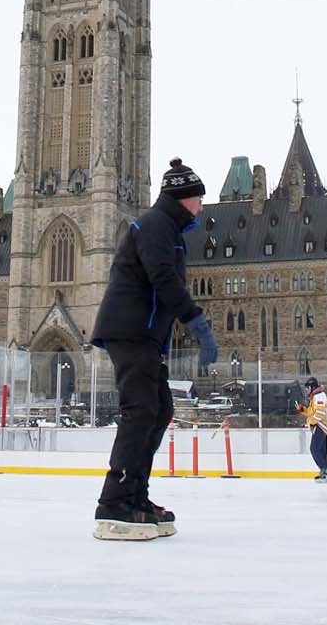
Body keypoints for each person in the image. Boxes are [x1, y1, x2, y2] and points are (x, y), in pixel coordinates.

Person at [89, 158, 218, 541]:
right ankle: (114, 501)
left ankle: (135, 495)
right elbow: (163, 277)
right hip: (131, 331)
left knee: (159, 409)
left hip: (145, 334)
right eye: (198, 198)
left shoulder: (168, 227)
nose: (201, 206)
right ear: (185, 198)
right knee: (141, 411)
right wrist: (196, 321)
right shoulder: (156, 225)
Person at [295, 377, 327, 481]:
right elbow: (312, 412)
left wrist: (309, 422)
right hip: (321, 425)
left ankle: (324, 470)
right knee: (320, 450)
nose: (306, 390)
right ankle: (325, 472)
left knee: (314, 449)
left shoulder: (319, 396)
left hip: (321, 425)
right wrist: (302, 409)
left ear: (312, 387)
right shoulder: (316, 397)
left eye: (307, 388)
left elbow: (319, 414)